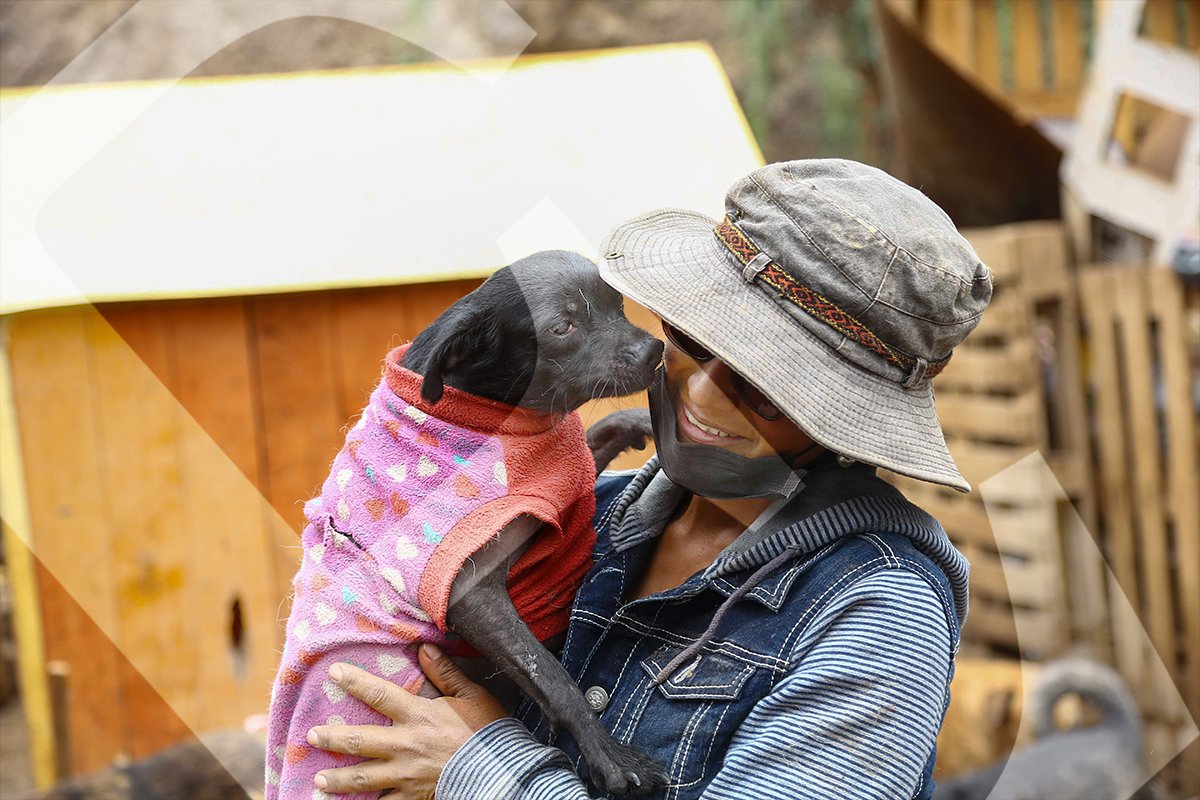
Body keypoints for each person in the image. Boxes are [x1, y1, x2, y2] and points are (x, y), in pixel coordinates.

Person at [299, 159, 992, 799]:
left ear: (850, 414)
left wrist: (479, 770)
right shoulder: (583, 514)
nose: (705, 398)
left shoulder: (878, 616)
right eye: (694, 340)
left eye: (769, 386)